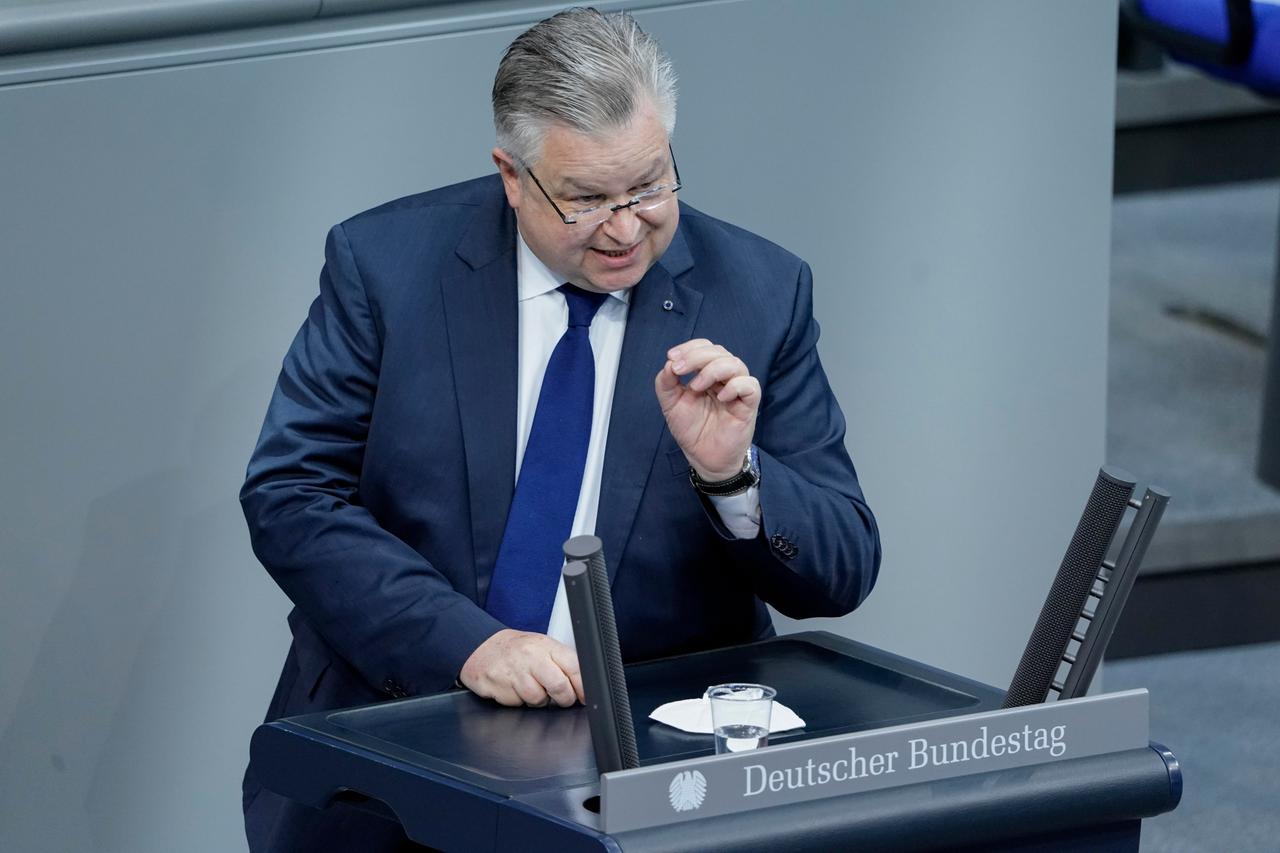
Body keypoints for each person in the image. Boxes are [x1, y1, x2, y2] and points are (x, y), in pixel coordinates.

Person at [239, 7, 880, 851]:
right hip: (394, 748)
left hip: (644, 777)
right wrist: (470, 645)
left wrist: (736, 478)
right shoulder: (387, 267)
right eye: (586, 199)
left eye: (649, 186)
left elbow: (842, 567)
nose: (624, 227)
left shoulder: (759, 291)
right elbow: (291, 494)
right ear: (512, 175)